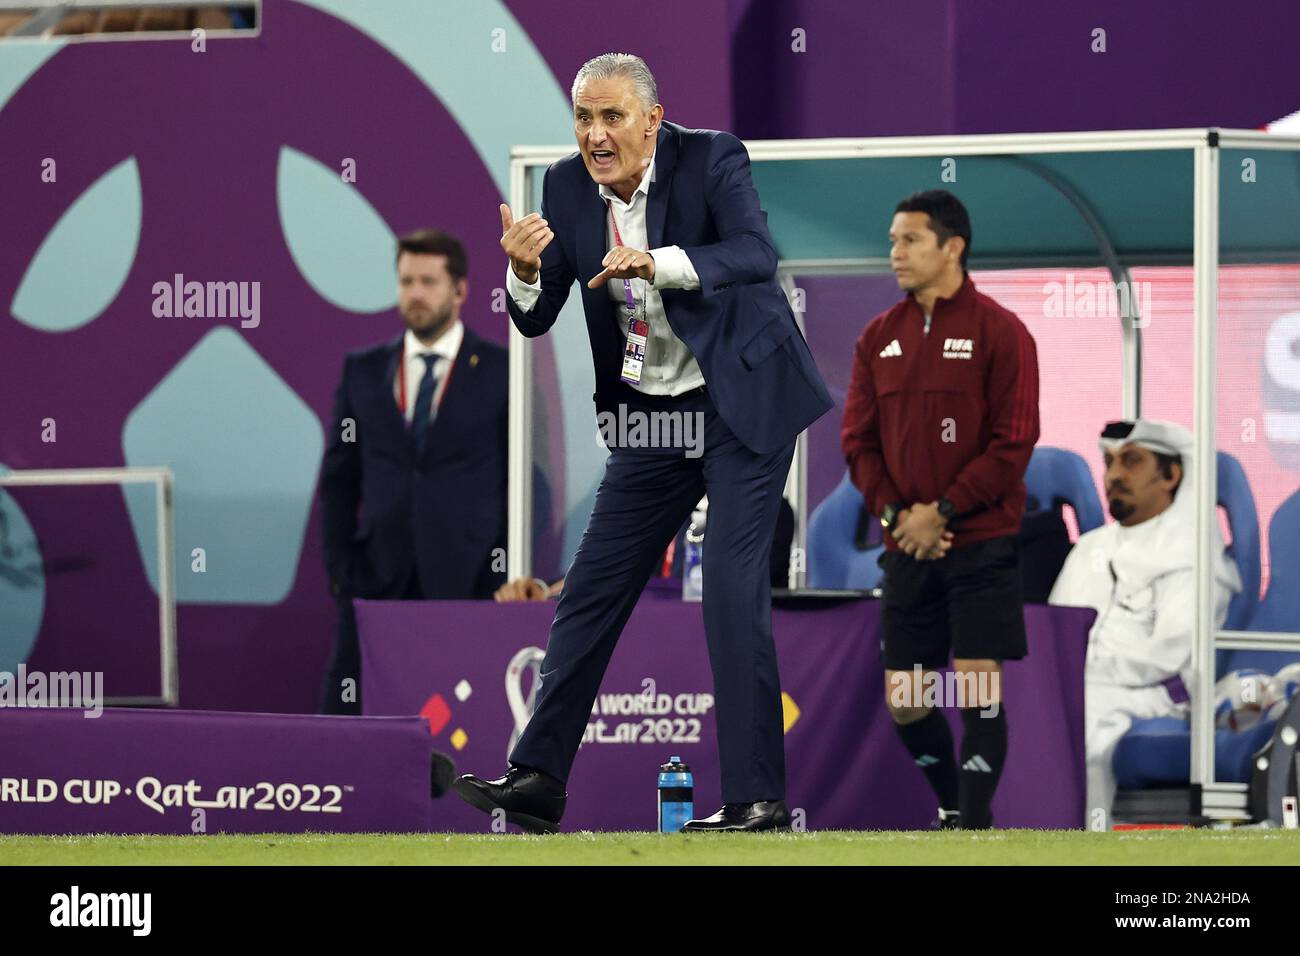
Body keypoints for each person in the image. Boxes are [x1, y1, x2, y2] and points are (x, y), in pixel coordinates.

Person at [452, 53, 832, 833]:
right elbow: (534, 313)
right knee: (590, 589)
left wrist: (656, 263)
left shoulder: (713, 157)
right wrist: (523, 274)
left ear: (652, 121)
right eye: (584, 118)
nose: (595, 134)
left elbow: (755, 254)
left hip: (741, 402)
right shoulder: (561, 187)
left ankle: (756, 800)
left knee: (729, 592)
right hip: (650, 420)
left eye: (612, 117)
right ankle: (537, 779)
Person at [841, 190, 1040, 830]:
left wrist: (945, 510)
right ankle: (953, 805)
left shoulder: (1002, 331)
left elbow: (1014, 443)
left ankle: (971, 825)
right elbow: (858, 443)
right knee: (906, 699)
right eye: (894, 240)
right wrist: (901, 518)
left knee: (978, 684)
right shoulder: (878, 337)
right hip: (906, 547)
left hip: (979, 543)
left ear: (952, 247)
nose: (894, 252)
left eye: (910, 241)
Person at [318, 229, 508, 714]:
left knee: (468, 723)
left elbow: (523, 481)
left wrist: (503, 569)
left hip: (468, 587)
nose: (415, 294)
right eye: (406, 281)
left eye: (428, 281)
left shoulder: (501, 372)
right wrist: (342, 570)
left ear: (460, 290)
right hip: (376, 581)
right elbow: (339, 479)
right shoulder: (362, 370)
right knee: (350, 723)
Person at [1049, 419, 1241, 825]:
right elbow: (1056, 633)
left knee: (1074, 721)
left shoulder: (1195, 553)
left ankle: (1084, 847)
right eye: (1109, 462)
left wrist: (1083, 672)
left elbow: (1168, 654)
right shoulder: (1088, 549)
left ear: (1171, 475)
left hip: (1156, 692)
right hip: (1082, 681)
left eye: (1132, 462)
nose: (1114, 475)